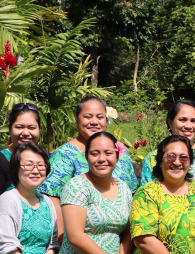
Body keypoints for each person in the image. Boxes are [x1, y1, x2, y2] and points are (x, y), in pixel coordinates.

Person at [40, 96, 139, 226]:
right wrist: (63, 236)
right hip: (82, 233)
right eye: (87, 117)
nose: (94, 121)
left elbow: (132, 192)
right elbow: (52, 198)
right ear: (77, 120)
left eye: (100, 117)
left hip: (123, 234)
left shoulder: (121, 151)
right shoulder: (64, 155)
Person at [0, 103, 42, 238]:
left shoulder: (46, 160)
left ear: (39, 130)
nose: (26, 132)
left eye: (32, 127)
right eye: (19, 127)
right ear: (10, 129)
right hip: (8, 240)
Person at [139, 99, 195, 200]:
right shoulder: (152, 158)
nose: (188, 126)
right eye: (182, 120)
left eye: (193, 121)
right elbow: (145, 198)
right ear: (170, 123)